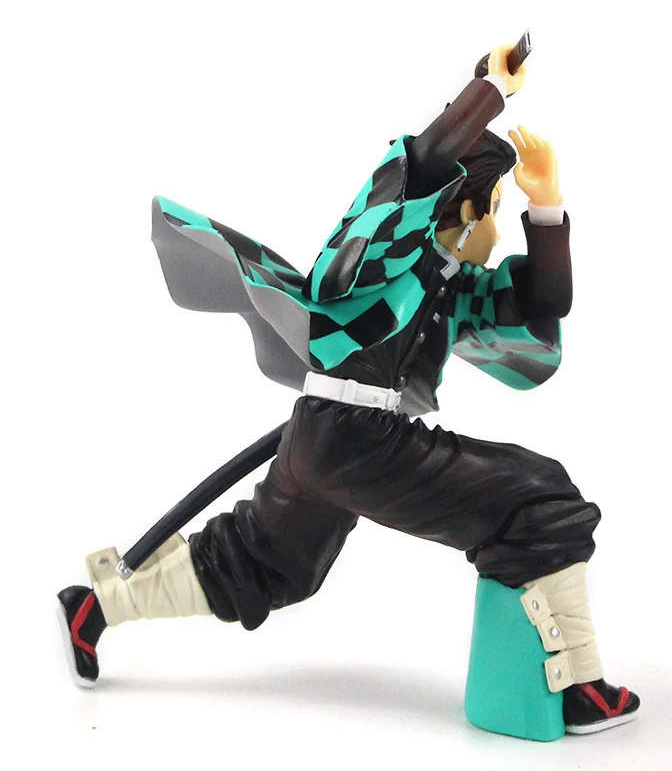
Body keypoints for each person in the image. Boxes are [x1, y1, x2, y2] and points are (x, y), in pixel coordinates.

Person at [57, 42, 640, 736]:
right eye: (492, 208)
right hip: (358, 441)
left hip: (324, 439)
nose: (494, 227)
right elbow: (426, 163)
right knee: (540, 499)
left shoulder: (454, 291)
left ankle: (95, 607)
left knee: (270, 563)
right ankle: (576, 688)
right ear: (455, 211)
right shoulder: (378, 257)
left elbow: (544, 302)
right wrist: (487, 89)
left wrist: (545, 210)